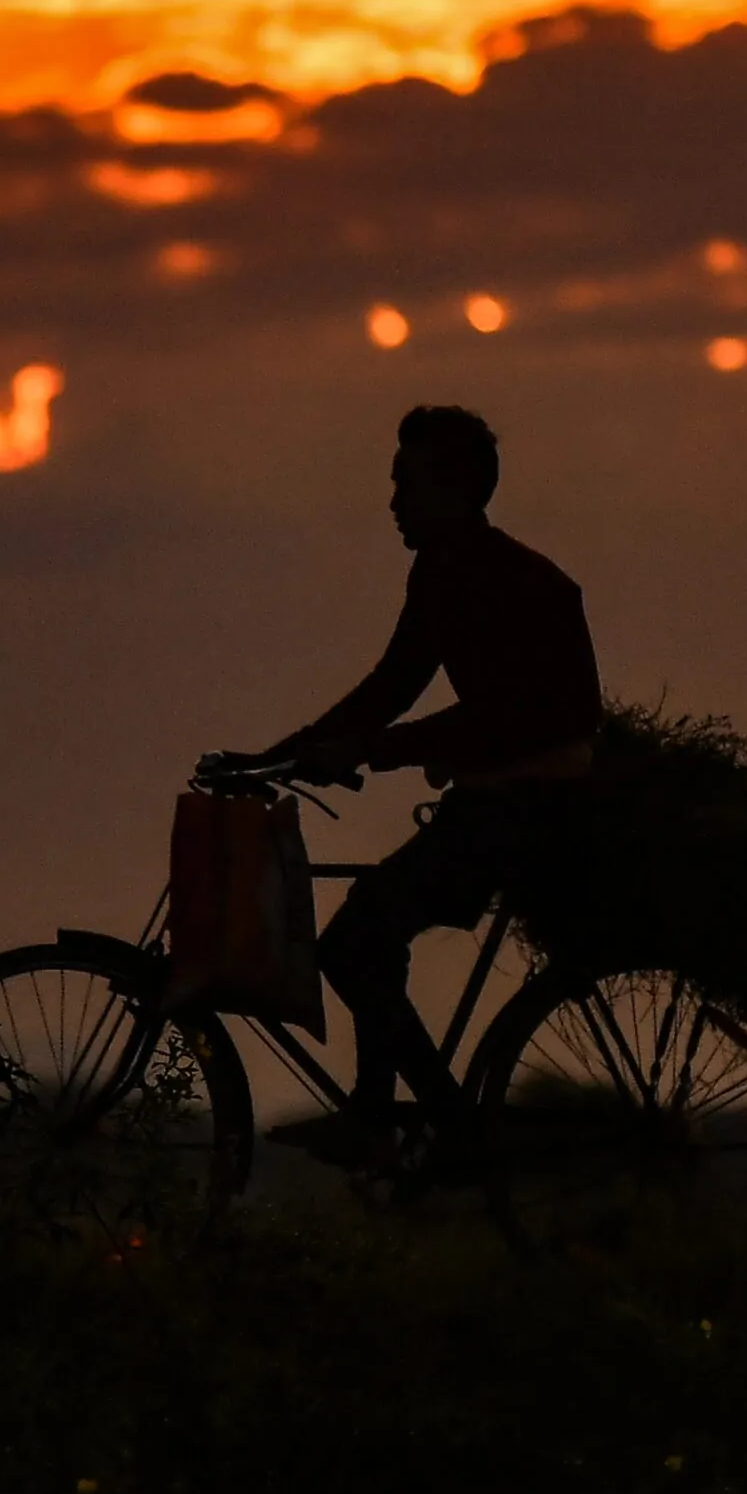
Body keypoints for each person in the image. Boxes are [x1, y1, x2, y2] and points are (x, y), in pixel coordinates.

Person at [243, 405, 603, 1168]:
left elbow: (495, 716)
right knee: (369, 928)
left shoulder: (499, 577)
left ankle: (433, 1123)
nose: (393, 502)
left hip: (531, 806)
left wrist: (372, 749)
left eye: (406, 483)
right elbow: (394, 682)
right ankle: (390, 1117)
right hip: (495, 800)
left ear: (457, 488)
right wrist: (279, 755)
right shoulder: (444, 567)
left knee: (351, 942)